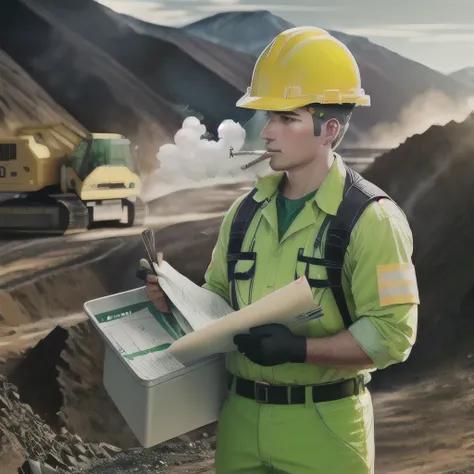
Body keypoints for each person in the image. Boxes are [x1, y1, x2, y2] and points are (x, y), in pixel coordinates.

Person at [145, 26, 419, 474]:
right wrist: (173, 297)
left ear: (329, 128)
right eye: (268, 116)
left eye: (286, 119)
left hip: (325, 429)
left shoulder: (374, 221)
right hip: (240, 424)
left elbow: (394, 335)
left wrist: (301, 350)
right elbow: (217, 305)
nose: (267, 132)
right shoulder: (244, 213)